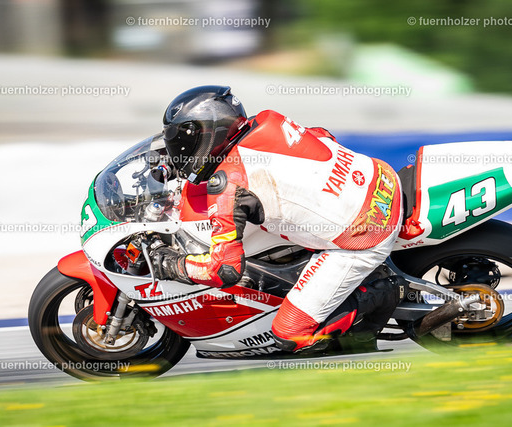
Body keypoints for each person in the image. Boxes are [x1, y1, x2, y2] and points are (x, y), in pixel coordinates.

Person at [150, 85, 403, 353]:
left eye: (184, 142)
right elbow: (322, 135)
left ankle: (383, 293)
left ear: (209, 135)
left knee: (289, 335)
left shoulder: (229, 185)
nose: (180, 148)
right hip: (380, 177)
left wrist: (173, 264)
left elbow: (224, 270)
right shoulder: (267, 119)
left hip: (366, 234)